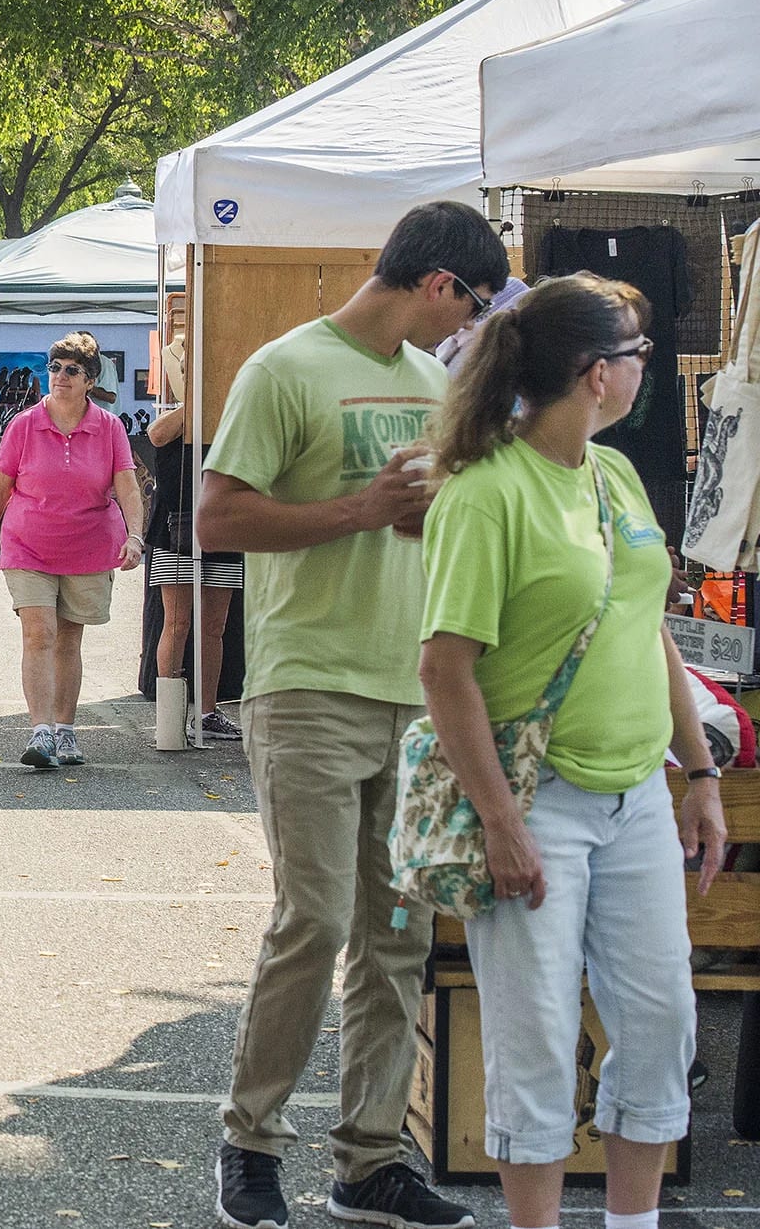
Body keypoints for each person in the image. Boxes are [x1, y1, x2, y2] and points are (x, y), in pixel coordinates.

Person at [198, 200, 506, 1229]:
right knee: (317, 919)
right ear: (439, 284)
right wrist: (359, 511)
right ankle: (250, 1141)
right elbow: (216, 517)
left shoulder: (435, 385)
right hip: (309, 685)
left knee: (398, 932)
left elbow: (446, 524)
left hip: (412, 694)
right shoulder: (285, 368)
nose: (468, 325)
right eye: (472, 303)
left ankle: (370, 1160)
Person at [417, 273, 725, 1229]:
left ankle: (633, 1222)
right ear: (597, 373)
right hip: (535, 800)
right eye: (639, 354)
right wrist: (502, 825)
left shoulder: (613, 473)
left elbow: (647, 627)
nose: (645, 369)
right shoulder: (485, 493)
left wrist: (700, 773)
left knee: (662, 1023)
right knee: (538, 1040)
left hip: (638, 796)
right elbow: (444, 670)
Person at [0, 331, 144, 769]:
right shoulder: (24, 425)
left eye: (71, 370)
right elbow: (0, 491)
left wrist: (135, 535)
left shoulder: (109, 428)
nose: (60, 376)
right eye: (54, 368)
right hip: (29, 545)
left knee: (68, 639)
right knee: (39, 633)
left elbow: (127, 486)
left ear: (90, 381)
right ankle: (40, 731)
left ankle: (65, 730)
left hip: (88, 546)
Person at [147, 334, 243, 742]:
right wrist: (196, 402)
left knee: (214, 626)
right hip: (177, 526)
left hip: (222, 525)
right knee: (178, 621)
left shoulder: (233, 410)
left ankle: (206, 712)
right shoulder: (183, 414)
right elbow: (156, 435)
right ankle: (170, 716)